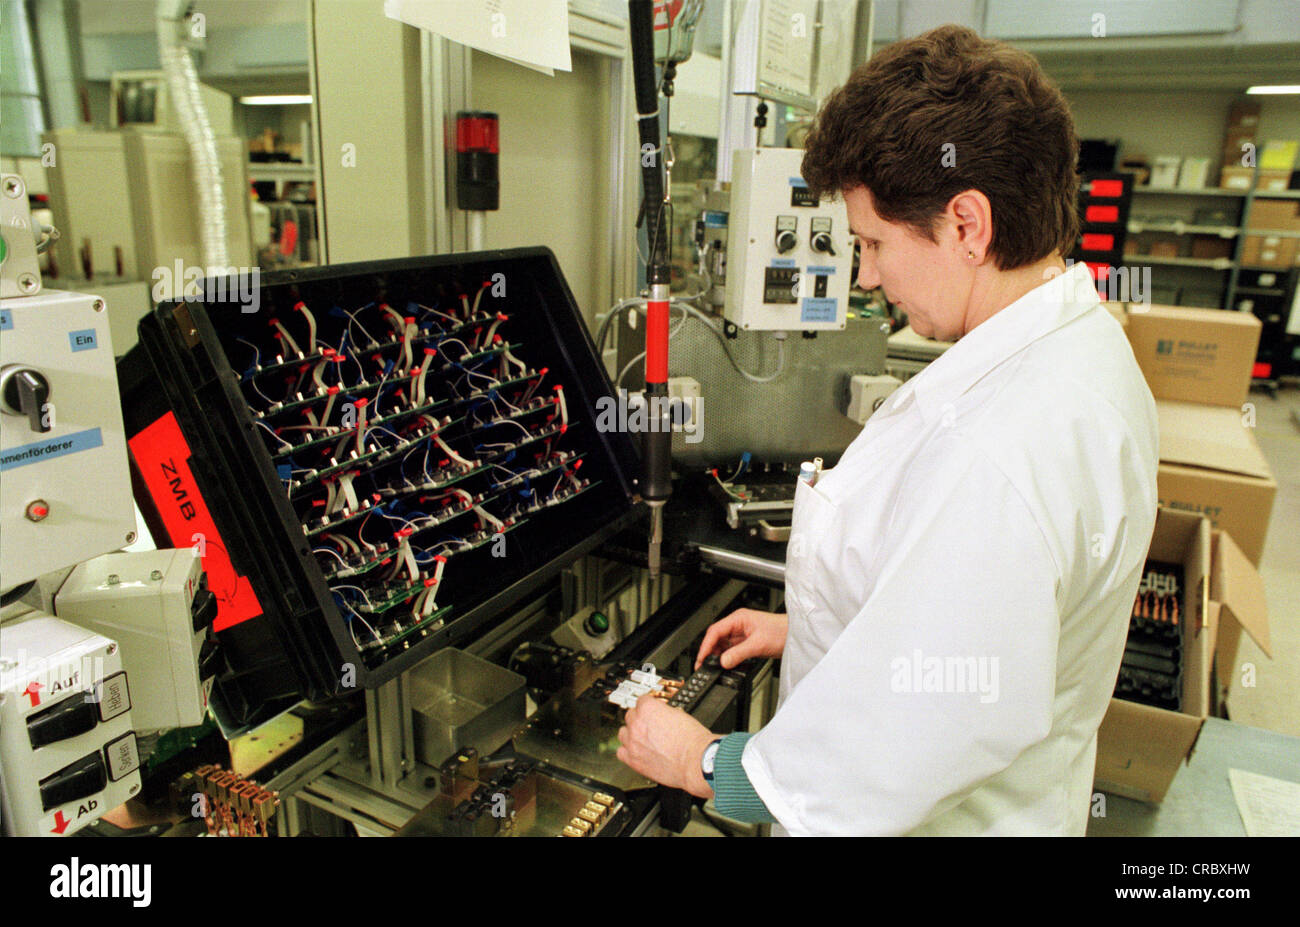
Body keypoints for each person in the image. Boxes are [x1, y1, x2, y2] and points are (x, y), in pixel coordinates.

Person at [615, 23, 1159, 836]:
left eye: (873, 242)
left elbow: (911, 740)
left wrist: (703, 762)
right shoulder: (1080, 345)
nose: (866, 275)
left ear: (967, 225)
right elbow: (987, 631)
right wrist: (818, 628)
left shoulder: (1007, 446)